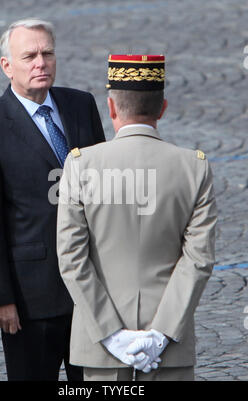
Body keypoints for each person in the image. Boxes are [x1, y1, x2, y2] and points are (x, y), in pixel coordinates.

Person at [0, 18, 105, 381]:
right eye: (29, 56)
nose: (40, 62)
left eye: (47, 53)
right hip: (29, 301)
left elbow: (103, 191)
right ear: (7, 66)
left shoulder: (81, 105)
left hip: (91, 292)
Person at [57, 54, 217, 381]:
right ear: (163, 108)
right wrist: (160, 334)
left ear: (112, 108)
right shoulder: (194, 167)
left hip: (101, 351)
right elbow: (198, 260)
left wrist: (113, 335)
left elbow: (72, 258)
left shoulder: (80, 164)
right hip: (170, 352)